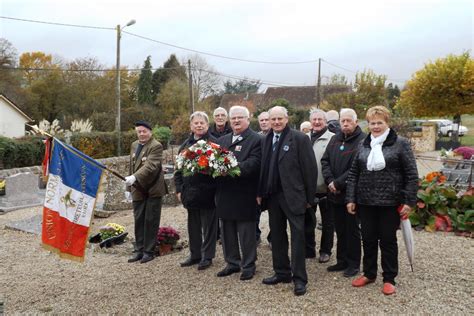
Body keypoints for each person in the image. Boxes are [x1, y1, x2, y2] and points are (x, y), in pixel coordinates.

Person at [346, 106, 418, 295]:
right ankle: (369, 273)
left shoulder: (401, 143)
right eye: (372, 123)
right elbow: (354, 173)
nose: (376, 126)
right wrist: (351, 198)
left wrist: (409, 202)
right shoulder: (363, 144)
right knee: (368, 239)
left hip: (390, 202)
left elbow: (411, 174)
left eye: (380, 122)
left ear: (387, 123)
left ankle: (389, 278)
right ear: (367, 124)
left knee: (387, 241)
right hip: (366, 201)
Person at [258, 106, 317, 296]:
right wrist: (261, 192)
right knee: (277, 235)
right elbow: (264, 168)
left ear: (286, 119)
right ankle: (282, 272)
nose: (276, 122)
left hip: (294, 196)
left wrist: (309, 198)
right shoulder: (267, 138)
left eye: (279, 119)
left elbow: (310, 170)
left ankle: (300, 279)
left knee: (298, 237)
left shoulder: (299, 138)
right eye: (273, 119)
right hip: (273, 196)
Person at [215, 105, 261, 281]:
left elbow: (254, 163)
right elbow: (215, 162)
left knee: (246, 232)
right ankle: (232, 263)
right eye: (233, 118)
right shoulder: (223, 140)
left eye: (240, 117)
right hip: (225, 191)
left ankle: (249, 265)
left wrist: (230, 168)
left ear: (248, 119)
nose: (236, 121)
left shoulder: (256, 139)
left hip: (245, 192)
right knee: (226, 231)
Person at [321, 108, 365, 277]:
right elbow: (325, 161)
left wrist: (338, 182)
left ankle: (353, 264)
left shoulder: (362, 141)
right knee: (339, 228)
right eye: (342, 121)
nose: (345, 124)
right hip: (334, 193)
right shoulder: (334, 139)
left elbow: (357, 167)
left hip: (351, 194)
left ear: (356, 121)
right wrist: (329, 180)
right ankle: (342, 260)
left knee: (352, 230)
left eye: (348, 121)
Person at [174, 111, 218, 270]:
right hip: (190, 193)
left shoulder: (215, 144)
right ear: (191, 126)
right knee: (193, 227)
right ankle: (195, 254)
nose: (199, 125)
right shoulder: (185, 145)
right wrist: (179, 190)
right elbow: (178, 170)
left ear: (207, 125)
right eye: (196, 123)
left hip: (208, 193)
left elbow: (220, 170)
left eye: (202, 123)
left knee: (209, 228)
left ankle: (207, 256)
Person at [125, 120, 168, 264]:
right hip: (137, 188)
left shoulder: (156, 146)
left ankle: (149, 252)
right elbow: (131, 166)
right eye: (139, 132)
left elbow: (150, 166)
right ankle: (139, 249)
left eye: (144, 131)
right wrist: (128, 188)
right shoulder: (134, 145)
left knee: (151, 220)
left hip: (153, 188)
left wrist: (134, 177)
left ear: (150, 132)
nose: (141, 134)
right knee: (139, 219)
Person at [307, 109, 335, 263]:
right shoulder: (304, 138)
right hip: (308, 189)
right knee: (308, 221)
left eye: (320, 119)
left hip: (326, 189)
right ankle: (309, 249)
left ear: (325, 121)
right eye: (314, 119)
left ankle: (325, 250)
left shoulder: (333, 138)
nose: (317, 122)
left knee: (328, 222)